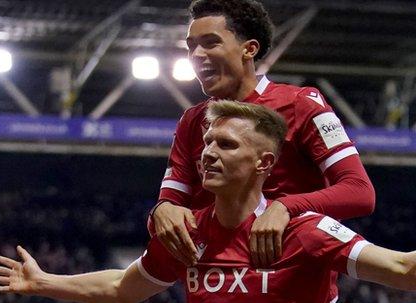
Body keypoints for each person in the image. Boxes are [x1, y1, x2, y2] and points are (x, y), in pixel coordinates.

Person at [0, 101, 416, 303]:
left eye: (226, 144)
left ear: (264, 163)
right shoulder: (187, 233)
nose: (208, 153)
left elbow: (403, 270)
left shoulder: (305, 230)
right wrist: (43, 282)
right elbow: (122, 288)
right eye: (207, 142)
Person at [151, 0, 375, 269]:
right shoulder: (192, 121)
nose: (196, 54)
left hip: (293, 295)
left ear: (249, 49)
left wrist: (284, 206)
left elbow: (360, 192)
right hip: (216, 292)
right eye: (191, 46)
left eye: (211, 43)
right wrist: (160, 212)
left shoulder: (301, 105)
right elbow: (170, 206)